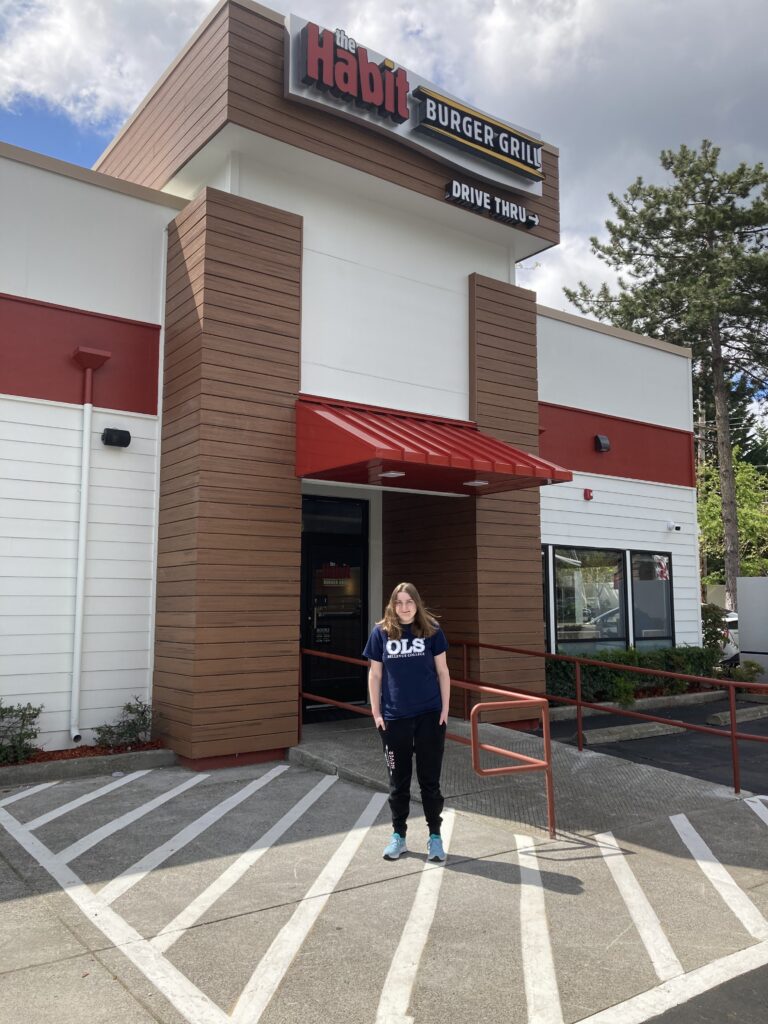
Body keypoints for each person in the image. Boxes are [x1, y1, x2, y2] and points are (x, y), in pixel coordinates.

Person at [363, 582, 451, 862]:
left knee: (430, 781)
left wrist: (445, 709)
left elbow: (443, 672)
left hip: (429, 716)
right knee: (397, 782)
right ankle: (398, 835)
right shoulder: (382, 633)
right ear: (392, 604)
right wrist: (376, 713)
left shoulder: (432, 630)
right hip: (394, 718)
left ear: (417, 603)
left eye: (409, 601)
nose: (404, 607)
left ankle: (434, 837)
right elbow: (375, 675)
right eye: (399, 602)